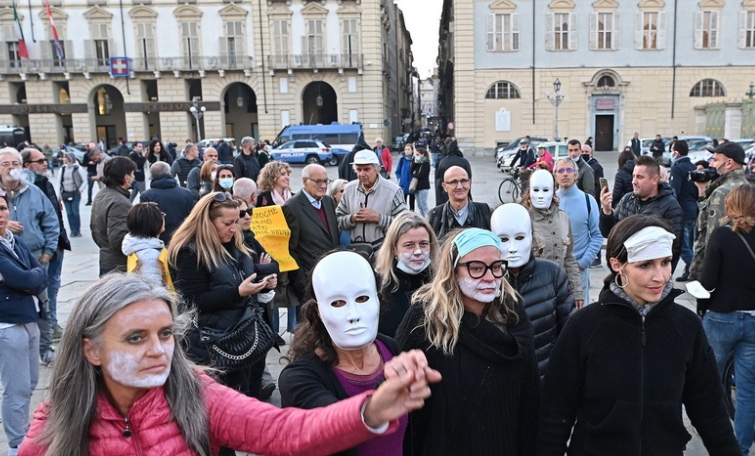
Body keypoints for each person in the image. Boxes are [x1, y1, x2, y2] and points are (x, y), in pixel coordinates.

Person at [19, 273, 440, 456]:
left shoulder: (198, 396)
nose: (156, 349)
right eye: (135, 338)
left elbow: (286, 432)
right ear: (91, 350)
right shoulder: (58, 420)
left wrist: (369, 410)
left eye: (165, 334)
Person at [537, 214, 739, 456]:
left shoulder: (686, 327)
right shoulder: (583, 327)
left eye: (665, 262)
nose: (661, 276)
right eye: (645, 265)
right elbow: (555, 414)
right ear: (616, 264)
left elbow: (709, 409)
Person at [280, 251, 441, 456]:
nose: (353, 315)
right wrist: (378, 403)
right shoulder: (298, 378)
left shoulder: (389, 348)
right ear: (319, 312)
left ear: (377, 299)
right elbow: (331, 427)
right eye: (337, 303)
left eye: (362, 298)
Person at [396, 228, 539, 455]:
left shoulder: (514, 318)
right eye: (476, 268)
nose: (490, 277)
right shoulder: (424, 319)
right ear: (452, 271)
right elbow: (401, 400)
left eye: (496, 267)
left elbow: (530, 397)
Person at [168, 192, 276, 407]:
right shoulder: (190, 252)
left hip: (243, 336)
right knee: (225, 406)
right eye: (227, 223)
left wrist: (263, 284)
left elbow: (252, 271)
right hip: (212, 344)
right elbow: (193, 302)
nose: (234, 228)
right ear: (207, 222)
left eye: (236, 222)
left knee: (247, 399)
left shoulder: (235, 244)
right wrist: (239, 292)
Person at [698, 184, 755, 455]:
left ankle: (717, 445)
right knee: (747, 390)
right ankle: (740, 449)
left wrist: (702, 307)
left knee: (707, 383)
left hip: (721, 317)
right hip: (754, 320)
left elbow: (708, 282)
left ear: (730, 205)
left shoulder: (721, 235)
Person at [491, 204, 574, 379]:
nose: (512, 248)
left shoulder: (553, 274)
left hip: (544, 380)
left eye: (520, 237)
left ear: (531, 235)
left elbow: (569, 334)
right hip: (501, 383)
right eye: (504, 239)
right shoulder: (485, 280)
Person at [0, 148, 60, 364]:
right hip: (5, 262)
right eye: (5, 164)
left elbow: (52, 223)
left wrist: (47, 253)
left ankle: (45, 348)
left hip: (35, 259)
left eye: (14, 163)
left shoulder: (34, 191)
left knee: (42, 304)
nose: (10, 168)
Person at [0, 189, 47, 456]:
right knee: (15, 388)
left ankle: (23, 431)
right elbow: (25, 278)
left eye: (3, 208)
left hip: (29, 317)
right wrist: (30, 277)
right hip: (7, 323)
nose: (1, 214)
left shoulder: (14, 240)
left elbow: (39, 275)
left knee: (30, 381)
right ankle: (17, 444)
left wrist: (30, 276)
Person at [599, 155, 684, 270]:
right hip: (624, 273)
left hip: (651, 278)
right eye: (633, 176)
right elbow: (609, 233)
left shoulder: (670, 206)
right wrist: (607, 211)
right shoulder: (626, 199)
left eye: (639, 177)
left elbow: (673, 250)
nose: (634, 181)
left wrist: (659, 279)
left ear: (654, 179)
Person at [689, 142, 747, 280]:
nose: (711, 164)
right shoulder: (745, 186)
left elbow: (712, 238)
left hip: (719, 270)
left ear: (729, 163)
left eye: (715, 160)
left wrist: (707, 274)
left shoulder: (722, 192)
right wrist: (703, 190)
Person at [525, 169, 583, 308]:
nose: (540, 196)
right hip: (533, 296)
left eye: (545, 190)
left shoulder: (563, 218)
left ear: (553, 191)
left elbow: (569, 257)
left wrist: (577, 291)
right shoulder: (523, 220)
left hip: (561, 294)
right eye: (536, 190)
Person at [374, 212, 438, 338]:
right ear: (394, 248)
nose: (418, 251)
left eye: (423, 244)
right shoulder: (379, 285)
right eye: (409, 245)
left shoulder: (440, 282)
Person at [284, 164, 340, 302]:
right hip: (309, 282)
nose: (323, 186)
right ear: (304, 181)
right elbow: (291, 250)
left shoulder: (328, 201)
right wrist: (302, 283)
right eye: (318, 181)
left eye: (326, 181)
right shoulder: (292, 207)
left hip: (332, 277)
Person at [256, 161, 296, 344]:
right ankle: (272, 331)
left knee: (290, 291)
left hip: (290, 252)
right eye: (282, 174)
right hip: (270, 252)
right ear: (272, 177)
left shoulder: (293, 198)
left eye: (287, 174)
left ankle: (291, 328)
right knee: (272, 290)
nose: (286, 177)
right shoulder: (263, 198)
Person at [555, 157, 603, 304]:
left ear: (576, 175)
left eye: (569, 170)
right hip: (553, 272)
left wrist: (583, 263)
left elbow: (597, 236)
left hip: (579, 270)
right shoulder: (549, 201)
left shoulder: (588, 201)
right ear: (555, 175)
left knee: (580, 317)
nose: (565, 174)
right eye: (560, 171)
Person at [336, 150, 407, 244]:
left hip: (383, 250)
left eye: (366, 169)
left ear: (377, 169)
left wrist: (378, 218)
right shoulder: (349, 189)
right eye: (358, 169)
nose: (362, 174)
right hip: (356, 249)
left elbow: (404, 224)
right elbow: (337, 220)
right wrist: (352, 218)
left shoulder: (393, 191)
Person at [91, 156, 136, 275]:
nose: (134, 177)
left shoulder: (102, 193)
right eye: (132, 174)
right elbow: (118, 240)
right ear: (126, 178)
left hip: (107, 258)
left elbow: (94, 229)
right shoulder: (119, 202)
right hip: (118, 266)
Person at [427, 166, 491, 240]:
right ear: (445, 186)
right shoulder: (434, 218)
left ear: (470, 183)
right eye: (454, 182)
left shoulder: (486, 213)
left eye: (464, 181)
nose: (460, 186)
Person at [139, 162, 194, 245]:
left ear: (152, 175)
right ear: (170, 173)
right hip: (182, 241)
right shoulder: (187, 193)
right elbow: (192, 219)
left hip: (157, 243)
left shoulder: (146, 196)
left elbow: (145, 224)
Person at [668, 140, 698, 281]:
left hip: (683, 211)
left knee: (684, 248)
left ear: (676, 152)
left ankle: (699, 273)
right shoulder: (692, 166)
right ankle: (689, 272)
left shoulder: (677, 168)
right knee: (690, 245)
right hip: (693, 209)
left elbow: (675, 192)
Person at [121, 202, 167, 285]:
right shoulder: (150, 254)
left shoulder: (137, 245)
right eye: (161, 215)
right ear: (153, 222)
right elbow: (152, 287)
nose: (163, 218)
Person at [434, 139, 472, 206]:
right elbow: (469, 178)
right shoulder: (464, 161)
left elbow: (438, 182)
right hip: (463, 195)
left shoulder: (443, 162)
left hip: (446, 194)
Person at [59, 152, 84, 237]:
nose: (63, 159)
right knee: (69, 213)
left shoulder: (78, 168)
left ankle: (78, 230)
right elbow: (59, 182)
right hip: (65, 193)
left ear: (69, 158)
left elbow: (85, 180)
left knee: (75, 212)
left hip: (75, 193)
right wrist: (59, 194)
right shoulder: (62, 169)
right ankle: (72, 230)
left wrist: (80, 190)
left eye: (64, 158)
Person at [327, 178, 350, 247]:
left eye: (348, 191)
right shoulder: (329, 213)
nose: (345, 194)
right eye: (342, 191)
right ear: (334, 194)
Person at [410, 147, 431, 216]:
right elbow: (411, 171)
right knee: (419, 205)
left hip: (423, 186)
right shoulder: (418, 163)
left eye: (418, 154)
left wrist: (415, 174)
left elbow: (421, 175)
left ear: (423, 155)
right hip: (416, 187)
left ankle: (429, 219)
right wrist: (415, 163)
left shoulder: (426, 163)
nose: (416, 156)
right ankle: (422, 219)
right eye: (416, 154)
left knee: (424, 205)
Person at [395, 143, 415, 211]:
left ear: (412, 150)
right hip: (403, 184)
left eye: (409, 149)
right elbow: (397, 171)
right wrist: (399, 178)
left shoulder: (415, 160)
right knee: (403, 202)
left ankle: (412, 213)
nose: (407, 151)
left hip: (412, 184)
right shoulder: (402, 160)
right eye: (406, 149)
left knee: (412, 202)